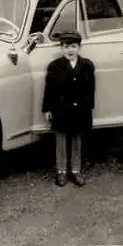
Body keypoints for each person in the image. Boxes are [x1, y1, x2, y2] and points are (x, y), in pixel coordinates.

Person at [42, 30, 96, 186]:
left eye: (73, 46)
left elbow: (91, 89)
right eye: (66, 47)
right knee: (61, 140)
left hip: (80, 110)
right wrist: (47, 109)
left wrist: (88, 108)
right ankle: (61, 171)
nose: (70, 50)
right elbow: (49, 90)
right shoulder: (55, 66)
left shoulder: (86, 66)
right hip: (61, 110)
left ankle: (76, 170)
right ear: (61, 48)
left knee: (77, 140)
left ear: (79, 47)